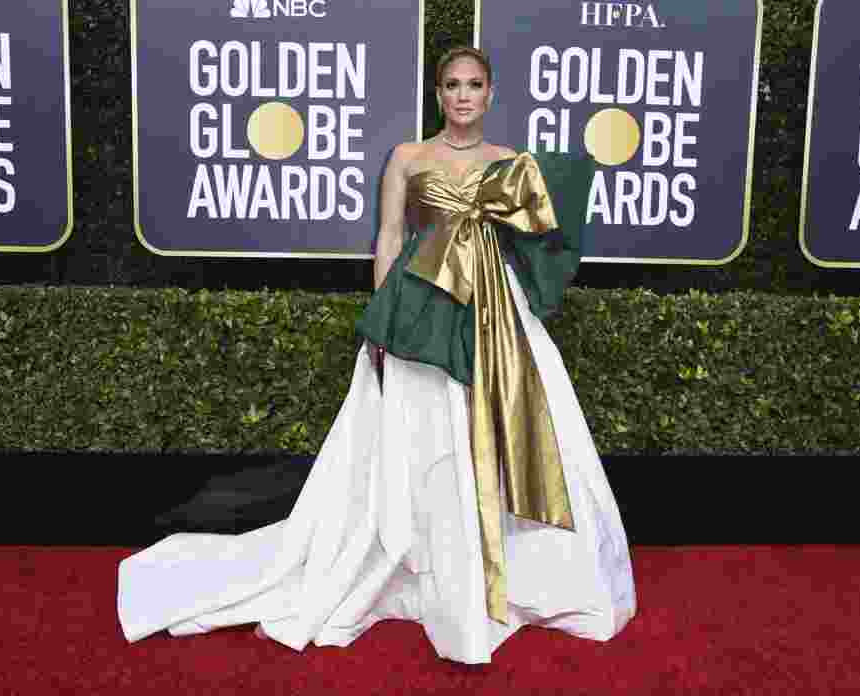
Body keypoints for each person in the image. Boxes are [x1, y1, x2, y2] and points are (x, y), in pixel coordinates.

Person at [117, 46, 637, 665]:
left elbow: (550, 230)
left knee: (500, 440)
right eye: (452, 84)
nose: (463, 95)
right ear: (439, 94)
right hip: (421, 310)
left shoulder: (512, 164)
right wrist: (383, 323)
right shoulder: (408, 157)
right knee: (420, 444)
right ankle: (423, 564)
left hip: (496, 317)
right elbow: (389, 237)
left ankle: (492, 572)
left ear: (490, 94)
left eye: (474, 84)